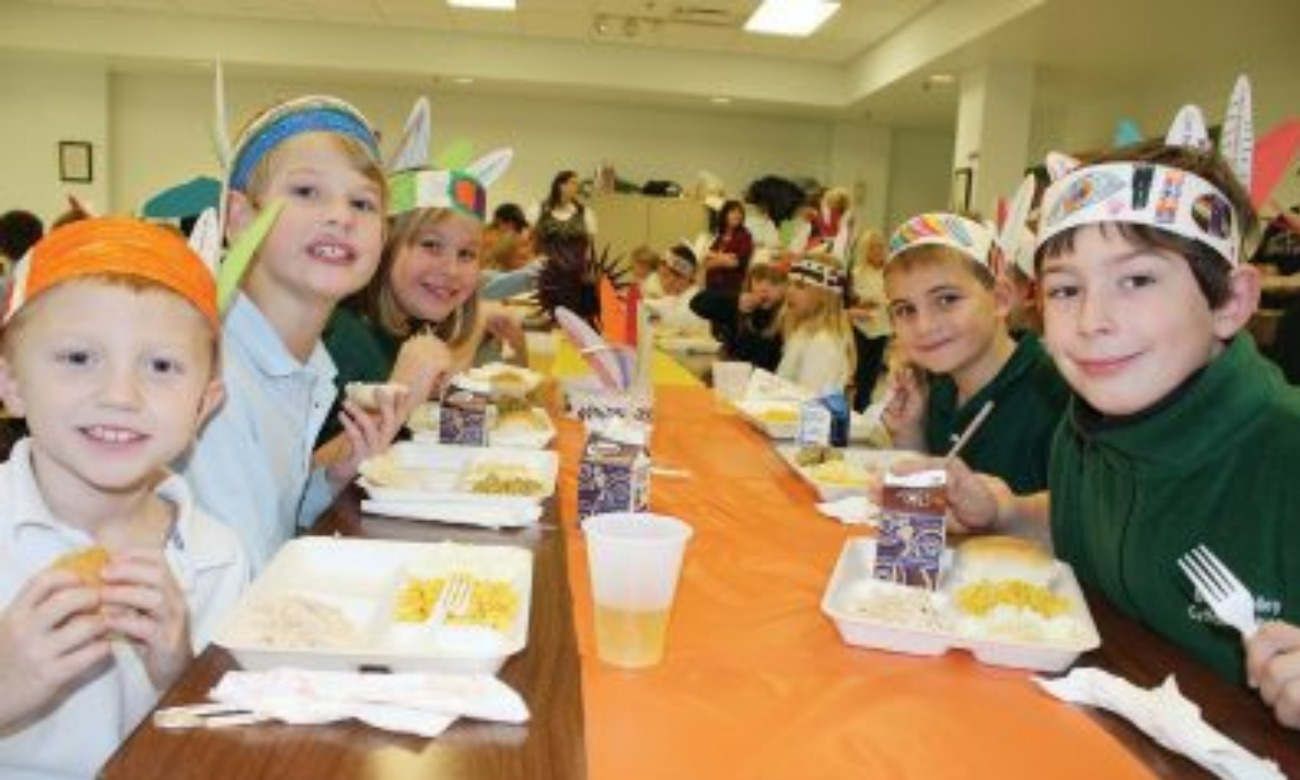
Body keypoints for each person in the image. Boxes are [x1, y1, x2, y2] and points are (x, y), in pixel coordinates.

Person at [942, 125, 1300, 726]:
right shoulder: (1085, 427)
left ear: (1230, 303)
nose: (1091, 320)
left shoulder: (1285, 450)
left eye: (1136, 280)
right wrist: (1007, 512)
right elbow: (1101, 528)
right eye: (1065, 289)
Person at [0, 218, 247, 778]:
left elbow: (227, 752)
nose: (119, 395)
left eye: (161, 366)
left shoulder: (214, 558)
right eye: (78, 358)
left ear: (203, 406)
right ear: (11, 383)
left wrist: (180, 675)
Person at [180, 94, 396, 572]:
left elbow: (268, 523)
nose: (341, 215)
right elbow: (242, 589)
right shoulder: (217, 379)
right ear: (239, 219)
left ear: (382, 235)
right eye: (306, 192)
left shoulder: (303, 364)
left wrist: (330, 479)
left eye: (363, 202)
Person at [319, 143, 524, 449]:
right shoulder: (343, 338)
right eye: (430, 245)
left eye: (466, 253)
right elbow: (303, 486)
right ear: (385, 244)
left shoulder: (408, 328)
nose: (452, 269)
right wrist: (400, 392)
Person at [881, 212, 1067, 492]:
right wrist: (910, 433)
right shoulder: (939, 387)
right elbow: (933, 500)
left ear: (1001, 299)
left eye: (947, 299)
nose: (924, 326)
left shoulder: (1057, 398)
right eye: (905, 310)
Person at [776, 255, 855, 393]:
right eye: (790, 283)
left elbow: (807, 400)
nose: (790, 291)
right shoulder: (805, 330)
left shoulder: (824, 342)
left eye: (800, 286)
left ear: (824, 297)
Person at [690, 262, 786, 371]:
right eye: (758, 281)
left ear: (786, 288)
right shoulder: (739, 305)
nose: (763, 289)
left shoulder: (787, 318)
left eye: (773, 283)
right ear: (750, 283)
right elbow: (696, 303)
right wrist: (735, 301)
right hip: (730, 375)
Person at [845, 229, 891, 410]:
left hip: (882, 329)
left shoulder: (889, 272)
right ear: (866, 250)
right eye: (874, 248)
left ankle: (864, 406)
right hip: (860, 328)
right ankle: (856, 407)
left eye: (881, 247)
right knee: (858, 374)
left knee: (872, 376)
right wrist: (864, 301)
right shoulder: (856, 273)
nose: (879, 251)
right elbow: (852, 300)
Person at [642, 242, 710, 336]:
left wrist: (652, 317)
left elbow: (677, 320)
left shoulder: (696, 300)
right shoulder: (677, 297)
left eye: (665, 276)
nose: (662, 282)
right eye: (661, 275)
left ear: (682, 277)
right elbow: (660, 304)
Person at [532, 170, 596, 247]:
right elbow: (530, 237)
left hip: (576, 258)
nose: (577, 187)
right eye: (573, 183)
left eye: (577, 184)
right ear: (561, 186)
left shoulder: (584, 212)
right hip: (546, 257)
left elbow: (589, 243)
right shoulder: (539, 209)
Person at [703, 199, 753, 294]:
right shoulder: (720, 236)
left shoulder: (745, 236)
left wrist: (715, 257)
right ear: (724, 215)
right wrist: (726, 257)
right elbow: (706, 262)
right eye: (733, 212)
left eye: (739, 212)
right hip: (711, 282)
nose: (737, 215)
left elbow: (736, 263)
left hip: (730, 284)